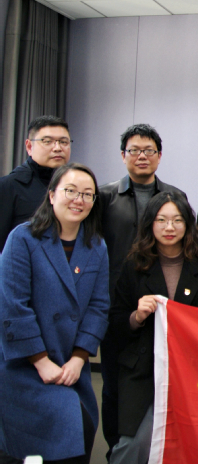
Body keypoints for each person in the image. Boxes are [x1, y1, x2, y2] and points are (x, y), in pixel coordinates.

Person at [0, 163, 108, 464]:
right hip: (24, 365)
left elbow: (99, 307)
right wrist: (40, 360)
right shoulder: (23, 239)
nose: (78, 200)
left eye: (87, 194)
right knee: (37, 445)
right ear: (51, 195)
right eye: (70, 191)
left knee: (79, 433)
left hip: (70, 363)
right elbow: (12, 306)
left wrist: (79, 358)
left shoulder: (96, 246)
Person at [109, 192, 198, 464]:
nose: (169, 227)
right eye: (161, 220)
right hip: (143, 370)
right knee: (134, 444)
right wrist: (137, 316)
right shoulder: (134, 265)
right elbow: (115, 322)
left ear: (188, 224)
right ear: (150, 224)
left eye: (177, 220)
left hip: (195, 372)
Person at [98, 123, 186, 456]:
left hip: (164, 309)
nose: (142, 156)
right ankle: (116, 452)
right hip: (118, 307)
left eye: (149, 150)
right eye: (134, 150)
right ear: (123, 156)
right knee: (115, 388)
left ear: (159, 156)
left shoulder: (175, 196)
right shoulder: (105, 197)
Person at [0, 115, 71, 252]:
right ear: (29, 146)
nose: (57, 148)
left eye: (63, 142)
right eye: (47, 141)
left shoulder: (75, 188)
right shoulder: (8, 187)